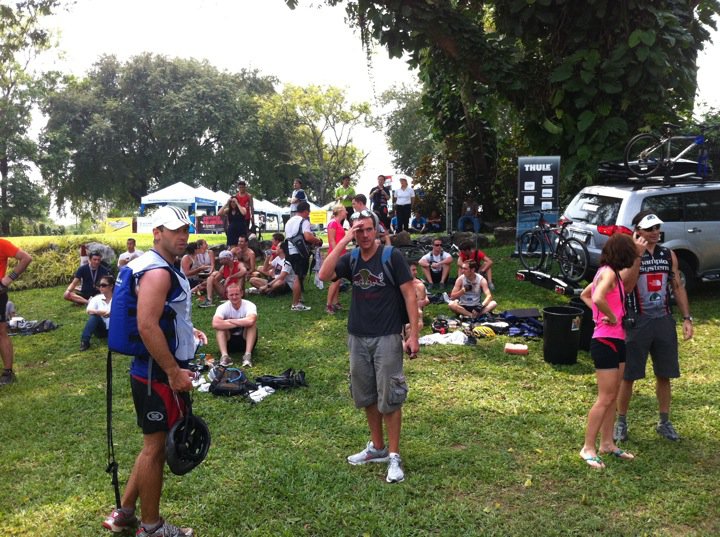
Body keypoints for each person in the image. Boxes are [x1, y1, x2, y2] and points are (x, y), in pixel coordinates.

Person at [102, 205, 207, 536]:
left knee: (154, 444)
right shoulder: (158, 272)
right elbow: (147, 325)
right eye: (174, 230)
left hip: (151, 371)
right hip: (156, 374)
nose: (182, 236)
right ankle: (151, 528)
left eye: (185, 230)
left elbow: (164, 317)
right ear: (157, 233)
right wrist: (174, 372)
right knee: (154, 450)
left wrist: (188, 333)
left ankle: (124, 514)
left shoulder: (156, 264)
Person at [318, 209, 419, 484]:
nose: (363, 235)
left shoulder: (391, 256)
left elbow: (410, 295)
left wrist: (413, 335)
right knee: (367, 395)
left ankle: (394, 456)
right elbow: (324, 274)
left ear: (376, 230)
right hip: (357, 337)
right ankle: (377, 447)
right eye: (358, 230)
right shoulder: (351, 258)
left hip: (386, 336)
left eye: (368, 229)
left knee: (391, 396)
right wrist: (343, 240)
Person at [614, 211, 694, 443]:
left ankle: (664, 422)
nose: (655, 232)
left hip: (663, 320)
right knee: (629, 375)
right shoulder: (628, 254)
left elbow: (677, 286)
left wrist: (687, 318)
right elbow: (626, 286)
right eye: (649, 229)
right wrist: (638, 256)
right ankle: (621, 422)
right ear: (637, 231)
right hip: (636, 321)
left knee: (665, 373)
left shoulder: (668, 254)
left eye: (657, 227)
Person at [578, 233, 645, 469]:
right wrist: (610, 316)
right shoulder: (607, 273)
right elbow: (596, 297)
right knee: (605, 397)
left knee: (613, 396)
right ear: (623, 254)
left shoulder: (610, 273)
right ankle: (588, 448)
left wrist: (601, 314)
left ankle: (607, 443)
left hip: (617, 340)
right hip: (605, 340)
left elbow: (585, 294)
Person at [0, 240, 32, 386]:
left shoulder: (2, 244)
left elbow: (26, 258)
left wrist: (8, 279)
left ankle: (8, 373)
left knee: (1, 332)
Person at [284, 201, 322, 311]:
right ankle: (296, 304)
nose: (309, 214)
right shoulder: (304, 221)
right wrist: (317, 240)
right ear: (305, 211)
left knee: (298, 275)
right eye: (308, 211)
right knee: (298, 277)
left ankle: (299, 298)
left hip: (290, 250)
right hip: (300, 252)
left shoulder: (289, 221)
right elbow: (308, 237)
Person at [212, 282, 257, 368]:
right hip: (229, 342)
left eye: (237, 294)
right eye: (231, 295)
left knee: (252, 325)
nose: (234, 297)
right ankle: (225, 357)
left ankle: (247, 356)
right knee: (220, 328)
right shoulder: (222, 307)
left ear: (241, 293)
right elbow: (215, 323)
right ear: (227, 296)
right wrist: (241, 322)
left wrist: (230, 321)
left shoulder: (249, 305)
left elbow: (251, 321)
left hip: (245, 341)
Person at [80, 275, 115, 351]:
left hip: (115, 329)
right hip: (101, 329)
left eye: (104, 285)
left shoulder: (117, 299)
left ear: (111, 286)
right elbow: (88, 310)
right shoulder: (97, 298)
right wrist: (100, 312)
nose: (101, 287)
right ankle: (85, 341)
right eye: (100, 285)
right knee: (94, 317)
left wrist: (111, 313)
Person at [325, 204, 348, 314]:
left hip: (340, 254)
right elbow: (332, 240)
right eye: (345, 210)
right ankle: (329, 304)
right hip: (336, 255)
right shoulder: (333, 223)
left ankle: (335, 301)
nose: (346, 212)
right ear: (340, 211)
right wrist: (336, 253)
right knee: (335, 280)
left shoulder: (338, 223)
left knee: (338, 280)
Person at [408, 261, 429, 332]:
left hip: (415, 310)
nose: (416, 272)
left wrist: (424, 301)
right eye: (413, 270)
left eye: (416, 270)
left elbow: (426, 300)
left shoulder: (419, 284)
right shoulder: (399, 283)